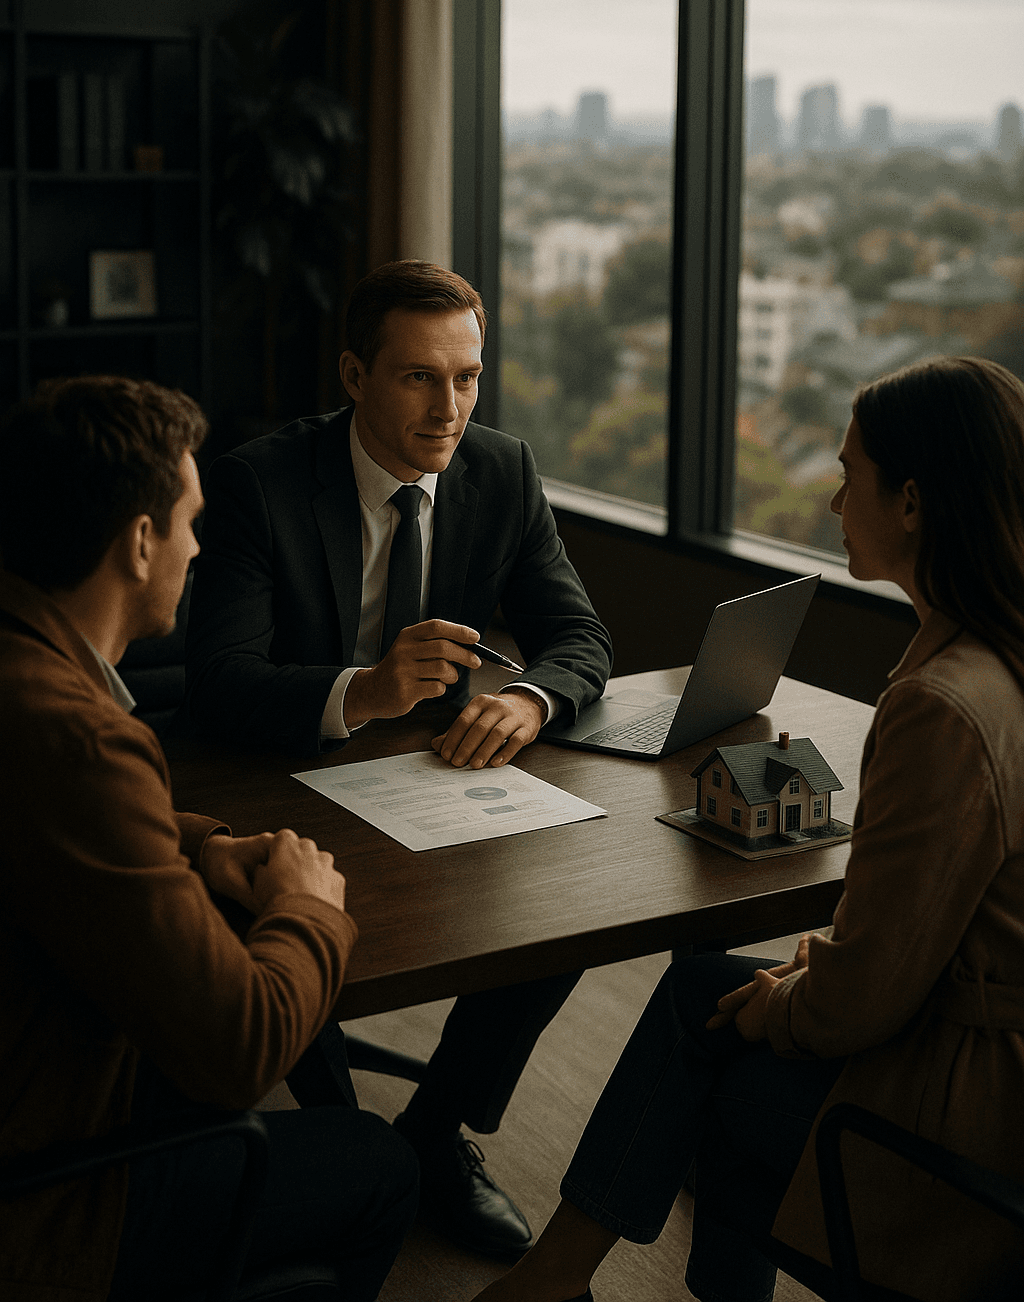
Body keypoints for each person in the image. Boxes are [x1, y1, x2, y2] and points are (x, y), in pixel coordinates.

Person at [470, 355, 1024, 1302]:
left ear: (915, 502)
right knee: (707, 1000)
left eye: (850, 476)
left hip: (964, 1107)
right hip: (980, 1047)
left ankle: (555, 1278)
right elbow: (923, 936)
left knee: (716, 1038)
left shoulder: (944, 704)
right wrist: (811, 976)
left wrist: (790, 1001)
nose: (831, 501)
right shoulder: (995, 658)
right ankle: (559, 1279)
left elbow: (868, 1000)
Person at [184, 259, 614, 1260]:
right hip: (283, 777)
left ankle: (431, 1132)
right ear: (354, 374)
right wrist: (362, 691)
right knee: (318, 925)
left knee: (567, 915)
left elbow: (581, 637)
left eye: (466, 377)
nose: (450, 406)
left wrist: (526, 694)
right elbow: (219, 682)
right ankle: (348, 1139)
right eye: (420, 377)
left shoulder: (500, 469)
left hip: (432, 779)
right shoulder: (262, 481)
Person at [0, 376, 418, 1302]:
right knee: (378, 1161)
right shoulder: (79, 735)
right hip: (42, 1199)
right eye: (187, 522)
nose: (198, 545)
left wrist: (196, 846)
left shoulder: (23, 669)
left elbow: (42, 815)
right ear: (139, 541)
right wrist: (308, 910)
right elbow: (239, 1051)